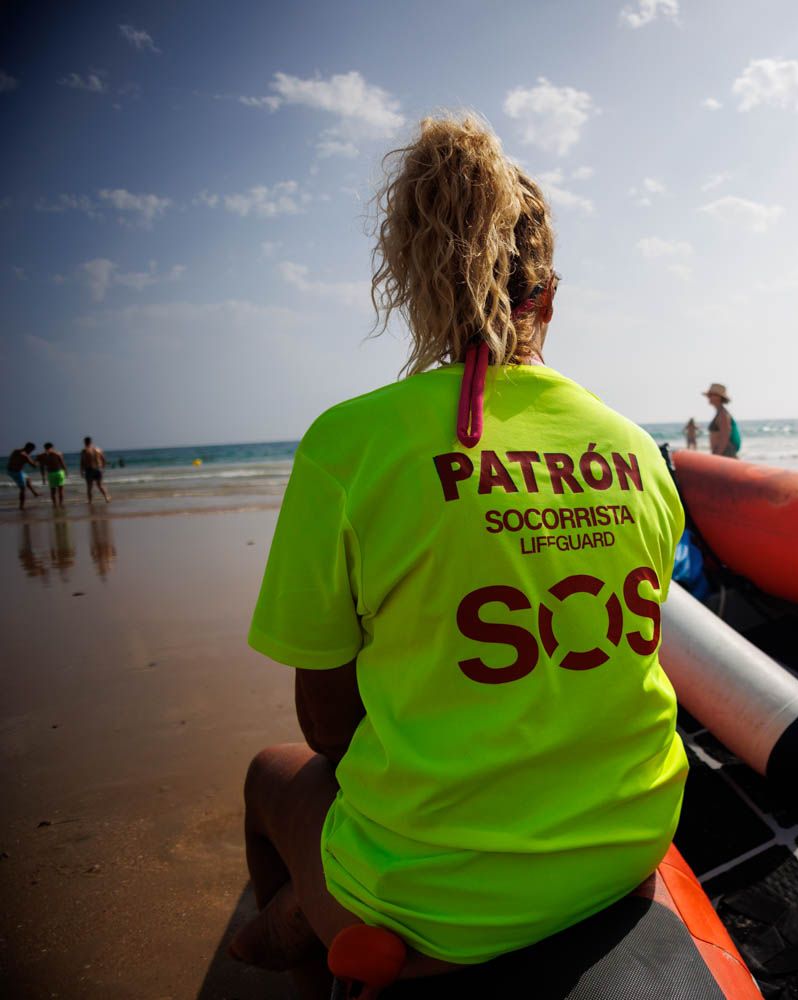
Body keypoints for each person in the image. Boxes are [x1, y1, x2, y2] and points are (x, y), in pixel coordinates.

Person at [234, 113, 687, 993]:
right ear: (549, 294)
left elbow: (327, 732)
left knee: (269, 775)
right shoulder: (638, 450)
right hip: (632, 843)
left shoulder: (350, 446)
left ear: (414, 283)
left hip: (438, 905)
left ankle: (305, 943)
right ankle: (294, 926)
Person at [704, 382, 739, 458]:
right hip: (722, 452)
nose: (708, 397)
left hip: (725, 453)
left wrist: (716, 456)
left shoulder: (723, 414)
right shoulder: (720, 412)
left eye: (711, 395)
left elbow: (725, 437)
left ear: (719, 397)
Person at [8, 442, 41, 510]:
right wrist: (37, 459)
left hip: (10, 470)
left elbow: (12, 459)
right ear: (29, 448)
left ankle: (35, 493)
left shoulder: (16, 451)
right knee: (23, 489)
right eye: (31, 450)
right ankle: (21, 506)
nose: (31, 452)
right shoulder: (25, 456)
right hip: (16, 472)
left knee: (28, 479)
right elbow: (34, 466)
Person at [80, 436, 111, 503]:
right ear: (91, 442)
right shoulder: (98, 450)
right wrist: (103, 468)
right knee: (100, 485)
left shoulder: (84, 451)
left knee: (89, 487)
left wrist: (81, 471)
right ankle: (106, 497)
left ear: (85, 442)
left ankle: (90, 501)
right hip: (98, 469)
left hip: (89, 470)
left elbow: (82, 462)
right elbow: (104, 460)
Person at [37, 442, 67, 509]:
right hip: (59, 472)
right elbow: (62, 464)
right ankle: (61, 504)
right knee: (61, 491)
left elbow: (41, 467)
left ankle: (55, 505)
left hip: (51, 474)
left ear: (44, 448)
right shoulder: (58, 454)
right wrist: (66, 472)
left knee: (53, 491)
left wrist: (43, 477)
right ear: (52, 447)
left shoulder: (42, 456)